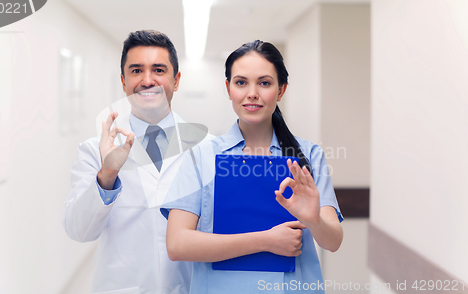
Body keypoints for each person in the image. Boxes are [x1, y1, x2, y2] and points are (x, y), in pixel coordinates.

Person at [161, 40, 344, 293]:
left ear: (281, 91)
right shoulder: (201, 157)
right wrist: (266, 241)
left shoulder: (308, 156)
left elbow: (332, 242)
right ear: (228, 88)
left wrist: (313, 220)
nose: (252, 93)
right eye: (241, 82)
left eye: (265, 83)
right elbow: (177, 244)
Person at [63, 30, 210, 294]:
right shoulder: (93, 150)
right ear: (123, 81)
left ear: (176, 80)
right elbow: (79, 230)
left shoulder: (206, 147)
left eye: (158, 70)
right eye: (136, 70)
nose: (147, 80)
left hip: (190, 287)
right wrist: (107, 174)